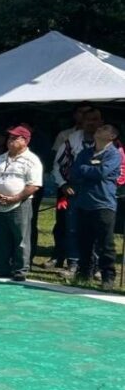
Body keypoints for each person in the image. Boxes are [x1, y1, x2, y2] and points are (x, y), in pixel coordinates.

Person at [0, 125, 43, 282]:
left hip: (20, 203)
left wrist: (16, 197)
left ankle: (20, 269)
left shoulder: (32, 160)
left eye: (14, 138)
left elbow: (34, 185)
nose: (9, 140)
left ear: (25, 141)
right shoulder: (0, 158)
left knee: (21, 237)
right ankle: (1, 267)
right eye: (9, 138)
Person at [69, 124, 122, 290]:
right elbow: (74, 171)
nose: (99, 129)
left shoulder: (114, 154)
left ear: (112, 136)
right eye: (100, 128)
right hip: (84, 202)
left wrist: (86, 169)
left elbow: (102, 173)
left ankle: (108, 276)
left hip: (103, 203)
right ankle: (85, 273)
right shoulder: (85, 152)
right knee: (84, 241)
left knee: (105, 243)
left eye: (105, 128)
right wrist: (90, 170)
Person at [50, 108, 102, 272]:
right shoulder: (72, 139)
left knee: (97, 229)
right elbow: (58, 165)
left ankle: (96, 267)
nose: (91, 123)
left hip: (98, 191)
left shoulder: (108, 141)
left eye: (95, 119)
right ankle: (73, 263)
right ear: (82, 122)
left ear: (101, 122)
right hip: (75, 189)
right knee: (72, 228)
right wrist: (63, 184)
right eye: (88, 119)